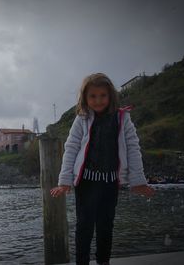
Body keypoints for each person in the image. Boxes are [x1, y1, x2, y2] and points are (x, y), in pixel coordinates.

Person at [50, 73, 155, 265]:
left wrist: (138, 182)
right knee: (84, 226)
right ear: (85, 98)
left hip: (110, 182)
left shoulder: (123, 119)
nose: (98, 101)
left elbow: (133, 148)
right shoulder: (81, 119)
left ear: (111, 96)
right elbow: (71, 148)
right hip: (86, 182)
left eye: (102, 96)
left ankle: (103, 261)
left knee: (106, 225)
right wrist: (64, 182)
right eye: (92, 96)